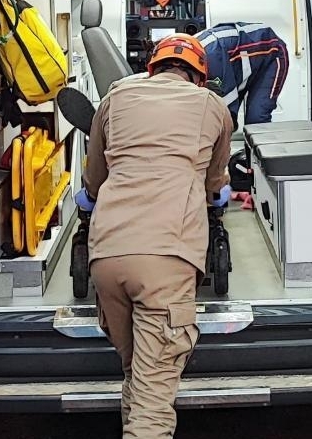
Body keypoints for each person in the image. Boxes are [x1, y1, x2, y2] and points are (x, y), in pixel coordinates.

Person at [74, 33, 233, 439]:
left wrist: (91, 196)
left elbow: (94, 179)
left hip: (107, 257)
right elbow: (215, 183)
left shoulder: (115, 97)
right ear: (200, 76)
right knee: (152, 405)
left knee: (138, 375)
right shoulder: (211, 106)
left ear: (152, 68)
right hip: (166, 258)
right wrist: (217, 193)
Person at [195, 22, 289, 130]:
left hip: (272, 53)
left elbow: (227, 114)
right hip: (238, 63)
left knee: (257, 120)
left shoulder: (210, 60)